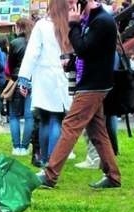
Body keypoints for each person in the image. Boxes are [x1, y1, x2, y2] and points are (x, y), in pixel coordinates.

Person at [38, 0, 121, 189]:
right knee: (97, 131)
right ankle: (113, 176)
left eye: (73, 5)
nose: (71, 10)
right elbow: (90, 52)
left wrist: (73, 24)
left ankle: (50, 175)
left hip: (93, 85)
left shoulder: (101, 21)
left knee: (70, 126)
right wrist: (73, 62)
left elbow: (83, 49)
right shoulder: (97, 20)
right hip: (94, 83)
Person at [17, 0, 72, 167]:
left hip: (44, 77)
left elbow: (32, 53)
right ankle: (52, 161)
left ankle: (45, 159)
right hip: (63, 76)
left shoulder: (42, 25)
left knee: (46, 120)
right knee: (57, 119)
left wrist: (24, 79)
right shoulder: (70, 24)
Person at [7, 18, 34, 156]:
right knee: (29, 116)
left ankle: (16, 146)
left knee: (14, 116)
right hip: (32, 80)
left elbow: (10, 64)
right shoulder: (34, 42)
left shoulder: (14, 43)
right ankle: (24, 146)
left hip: (16, 79)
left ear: (19, 27)